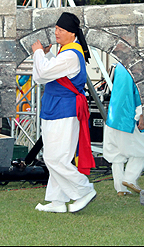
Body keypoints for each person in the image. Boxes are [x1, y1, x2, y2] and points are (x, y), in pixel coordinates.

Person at [31, 12, 96, 213]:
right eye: (56, 29)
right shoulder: (66, 52)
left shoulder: (70, 54)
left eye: (60, 30)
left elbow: (42, 74)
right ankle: (57, 201)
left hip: (64, 110)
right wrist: (48, 55)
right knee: (54, 156)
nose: (56, 33)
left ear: (71, 32)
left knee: (56, 158)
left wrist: (38, 53)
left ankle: (84, 190)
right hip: (56, 108)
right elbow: (54, 71)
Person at [103, 62, 144, 196]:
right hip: (127, 117)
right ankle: (130, 178)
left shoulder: (119, 65)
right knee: (142, 151)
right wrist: (141, 115)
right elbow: (139, 93)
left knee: (116, 155)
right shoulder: (140, 66)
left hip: (113, 116)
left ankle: (120, 188)